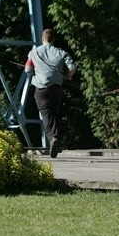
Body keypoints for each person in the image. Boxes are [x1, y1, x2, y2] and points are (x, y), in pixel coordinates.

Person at [25, 28, 76, 158]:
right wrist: (67, 77)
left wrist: (35, 73)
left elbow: (28, 69)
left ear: (42, 39)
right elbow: (72, 68)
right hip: (57, 88)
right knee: (53, 112)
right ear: (53, 39)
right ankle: (56, 137)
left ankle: (54, 137)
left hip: (41, 88)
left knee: (46, 114)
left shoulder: (33, 52)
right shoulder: (60, 52)